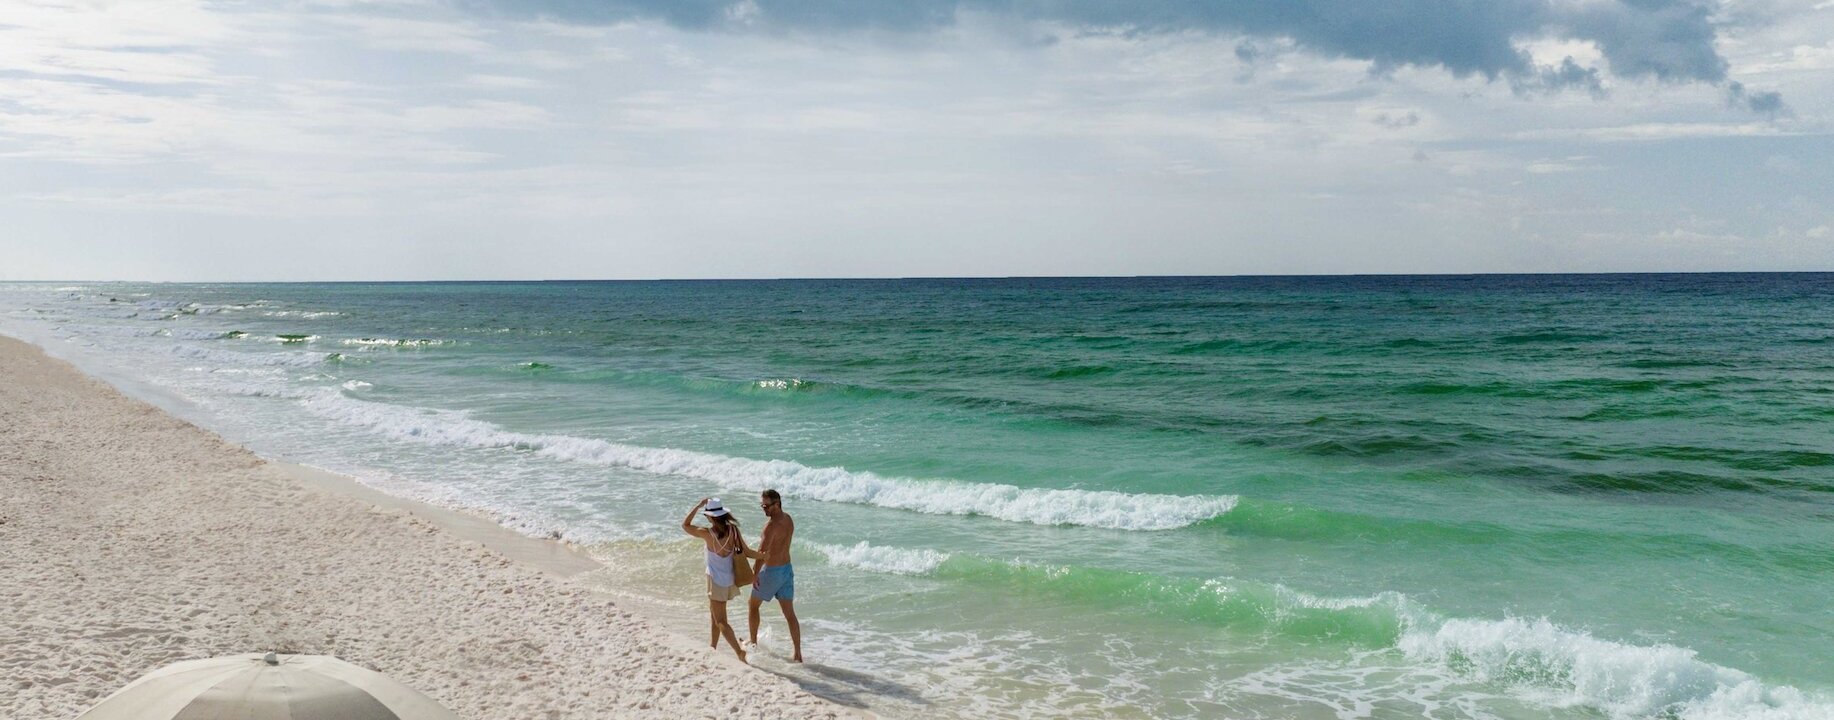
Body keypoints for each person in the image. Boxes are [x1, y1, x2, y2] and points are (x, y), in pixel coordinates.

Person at [680, 497, 760, 663]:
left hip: (715, 580)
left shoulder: (707, 533)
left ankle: (739, 652)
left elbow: (685, 525)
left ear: (710, 517)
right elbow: (747, 551)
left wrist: (698, 504)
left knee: (721, 620)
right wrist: (764, 556)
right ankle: (713, 647)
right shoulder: (733, 531)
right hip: (728, 579)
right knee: (714, 615)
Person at [747, 488, 802, 662]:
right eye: (762, 505)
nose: (764, 508)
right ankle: (798, 653)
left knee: (753, 605)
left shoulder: (770, 527)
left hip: (771, 572)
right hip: (786, 570)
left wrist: (754, 575)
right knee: (789, 614)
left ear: (777, 504)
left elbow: (761, 553)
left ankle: (753, 643)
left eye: (766, 505)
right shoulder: (788, 519)